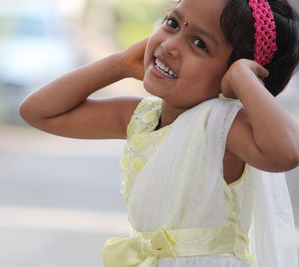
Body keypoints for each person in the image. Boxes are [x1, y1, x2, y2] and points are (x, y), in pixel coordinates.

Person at [19, 0, 299, 266]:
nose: (170, 45)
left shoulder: (220, 125)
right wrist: (120, 64)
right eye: (173, 23)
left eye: (200, 44)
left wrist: (242, 78)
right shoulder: (141, 117)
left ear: (230, 72)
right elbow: (38, 112)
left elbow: (288, 151)